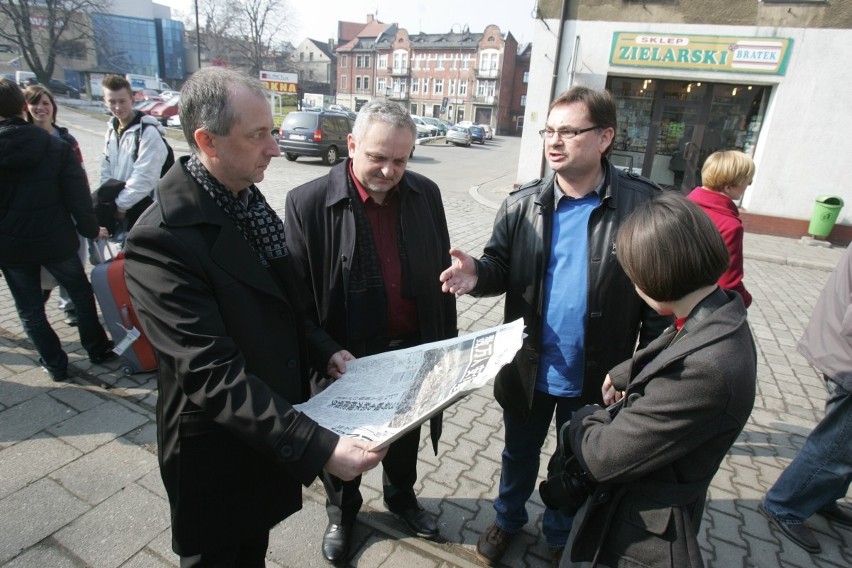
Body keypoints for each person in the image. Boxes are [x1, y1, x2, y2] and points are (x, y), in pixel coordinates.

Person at [122, 67, 386, 567]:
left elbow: (285, 308)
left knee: (253, 553)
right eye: (259, 134)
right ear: (208, 141)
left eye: (273, 130)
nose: (275, 147)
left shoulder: (246, 203)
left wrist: (327, 352)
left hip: (265, 436)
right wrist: (319, 447)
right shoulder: (160, 238)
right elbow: (210, 373)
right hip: (216, 454)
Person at [439, 86, 669, 566]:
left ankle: (563, 530)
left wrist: (636, 373)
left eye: (569, 130)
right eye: (549, 130)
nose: (554, 140)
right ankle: (507, 520)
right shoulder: (522, 203)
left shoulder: (641, 206)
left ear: (604, 137)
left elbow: (657, 306)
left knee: (579, 461)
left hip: (598, 373)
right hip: (528, 366)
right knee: (517, 454)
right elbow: (499, 264)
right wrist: (475, 274)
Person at [284, 100, 457, 564]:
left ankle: (401, 498)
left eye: (401, 160)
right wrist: (325, 351)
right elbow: (296, 304)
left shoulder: (427, 194)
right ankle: (343, 513)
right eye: (378, 157)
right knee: (348, 446)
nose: (389, 170)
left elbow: (440, 277)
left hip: (411, 348)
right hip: (349, 354)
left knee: (404, 436)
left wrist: (447, 352)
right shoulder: (307, 203)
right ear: (352, 145)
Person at [556, 192, 757, 568]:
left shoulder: (707, 371)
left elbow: (603, 456)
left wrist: (583, 418)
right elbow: (679, 339)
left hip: (640, 536)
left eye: (633, 277)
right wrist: (625, 373)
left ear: (654, 279)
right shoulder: (720, 307)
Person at [0, 78, 115, 381]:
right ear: (24, 106)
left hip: (12, 247)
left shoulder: (57, 145)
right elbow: (77, 197)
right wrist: (92, 230)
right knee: (80, 292)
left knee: (30, 309)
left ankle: (55, 364)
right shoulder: (56, 146)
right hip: (56, 239)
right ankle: (97, 348)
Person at [759, 245, 852, 554]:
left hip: (839, 350)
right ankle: (784, 504)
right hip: (845, 358)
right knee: (836, 446)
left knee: (842, 445)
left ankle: (822, 498)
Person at [25, 84, 88, 327]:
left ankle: (69, 305)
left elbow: (80, 177)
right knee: (39, 268)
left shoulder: (65, 139)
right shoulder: (21, 139)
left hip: (65, 213)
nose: (40, 108)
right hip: (35, 217)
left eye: (45, 103)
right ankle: (37, 303)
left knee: (71, 264)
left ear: (53, 107)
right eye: (35, 103)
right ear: (26, 108)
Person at [98, 74, 168, 239]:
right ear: (105, 101)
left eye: (122, 101)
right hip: (119, 207)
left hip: (143, 210)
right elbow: (105, 167)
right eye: (112, 102)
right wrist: (109, 201)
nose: (117, 107)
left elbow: (145, 177)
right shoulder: (112, 130)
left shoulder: (148, 133)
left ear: (132, 99)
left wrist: (121, 206)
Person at [686, 150, 755, 308]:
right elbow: (728, 283)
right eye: (747, 179)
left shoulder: (680, 206)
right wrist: (745, 300)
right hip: (698, 309)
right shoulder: (729, 226)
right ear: (729, 186)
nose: (750, 184)